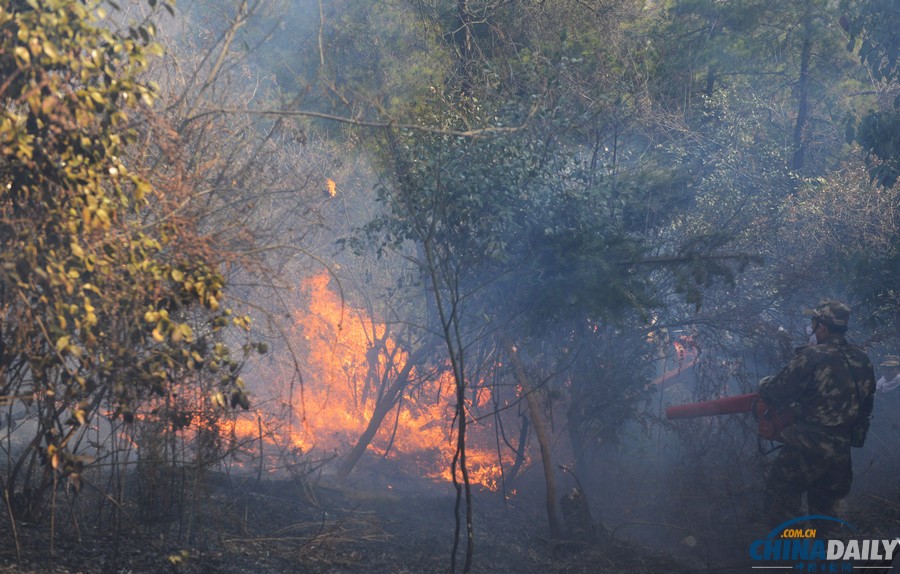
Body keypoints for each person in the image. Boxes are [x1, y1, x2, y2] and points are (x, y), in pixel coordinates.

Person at [758, 300, 876, 526]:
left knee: (781, 507)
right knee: (828, 517)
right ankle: (828, 550)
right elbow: (866, 406)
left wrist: (764, 383)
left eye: (813, 322)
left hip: (806, 447)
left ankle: (793, 547)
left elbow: (776, 393)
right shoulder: (862, 359)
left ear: (821, 326)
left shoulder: (812, 356)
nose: (811, 327)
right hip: (840, 453)